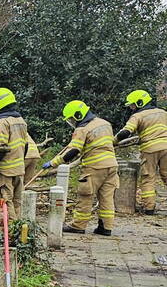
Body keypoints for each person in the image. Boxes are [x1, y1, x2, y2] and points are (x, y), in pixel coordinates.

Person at [43, 101, 118, 236]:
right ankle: (106, 227)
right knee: (106, 198)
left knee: (85, 196)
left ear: (78, 115)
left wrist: (54, 163)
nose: (72, 122)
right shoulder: (105, 123)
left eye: (72, 119)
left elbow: (73, 151)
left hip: (94, 168)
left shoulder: (82, 129)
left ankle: (78, 225)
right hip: (112, 166)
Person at [116, 89, 167, 214]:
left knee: (148, 177)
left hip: (150, 150)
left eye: (132, 105)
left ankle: (149, 208)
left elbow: (126, 132)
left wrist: (113, 140)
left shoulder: (137, 116)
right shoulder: (163, 112)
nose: (132, 108)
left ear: (139, 103)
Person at [0, 88, 28, 221]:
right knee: (17, 203)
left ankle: (10, 236)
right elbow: (26, 146)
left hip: (4, 172)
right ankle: (19, 235)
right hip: (19, 170)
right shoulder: (20, 120)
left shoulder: (0, 123)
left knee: (4, 205)